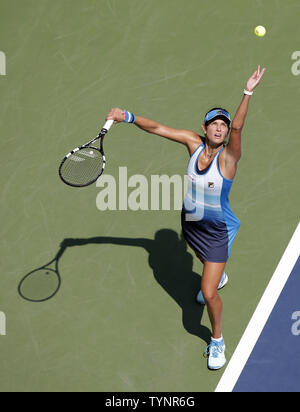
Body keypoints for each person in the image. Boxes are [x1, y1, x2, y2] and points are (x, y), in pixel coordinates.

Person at [106, 65, 266, 370]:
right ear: (203, 128)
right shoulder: (192, 144)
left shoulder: (229, 158)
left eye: (223, 124)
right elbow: (157, 128)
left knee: (207, 293)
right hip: (191, 222)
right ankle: (217, 274)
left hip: (216, 230)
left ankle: (217, 340)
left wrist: (247, 92)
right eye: (214, 124)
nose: (220, 128)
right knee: (203, 263)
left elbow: (238, 130)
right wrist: (127, 116)